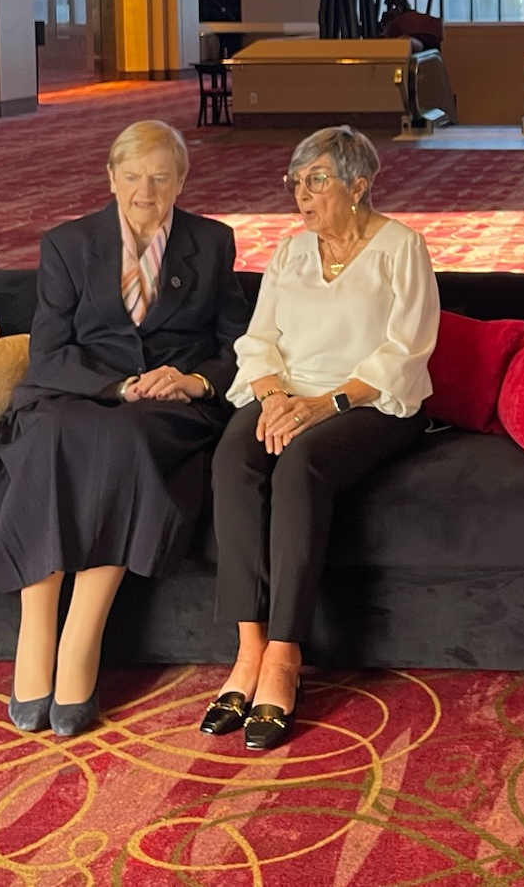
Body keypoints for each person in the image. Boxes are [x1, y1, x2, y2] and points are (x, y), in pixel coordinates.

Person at [0, 120, 248, 736]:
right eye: (133, 176)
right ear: (111, 178)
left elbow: (234, 345)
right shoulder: (67, 245)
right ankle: (37, 629)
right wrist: (115, 386)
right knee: (58, 436)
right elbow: (50, 353)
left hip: (167, 408)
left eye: (161, 177)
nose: (146, 190)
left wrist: (194, 382)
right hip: (75, 394)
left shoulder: (212, 243)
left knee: (127, 439)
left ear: (182, 181)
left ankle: (83, 630)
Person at [199, 125, 440, 751]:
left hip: (370, 402)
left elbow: (406, 352)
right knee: (234, 458)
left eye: (317, 180)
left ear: (358, 186)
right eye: (295, 182)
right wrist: (276, 396)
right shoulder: (290, 251)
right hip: (289, 394)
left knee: (299, 465)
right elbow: (260, 338)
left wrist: (322, 404)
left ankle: (284, 655)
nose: (301, 195)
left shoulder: (401, 248)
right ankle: (248, 647)